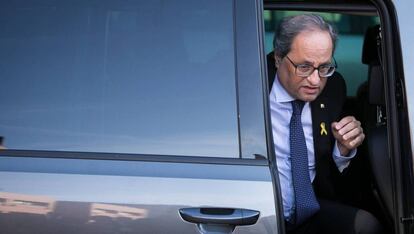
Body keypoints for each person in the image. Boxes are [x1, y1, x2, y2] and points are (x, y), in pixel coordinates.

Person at [268, 14, 383, 234]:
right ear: (278, 58)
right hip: (263, 215)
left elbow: (347, 185)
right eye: (304, 67)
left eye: (324, 67)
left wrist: (343, 150)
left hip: (312, 209)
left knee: (367, 225)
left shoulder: (333, 87)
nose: (315, 80)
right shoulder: (250, 87)